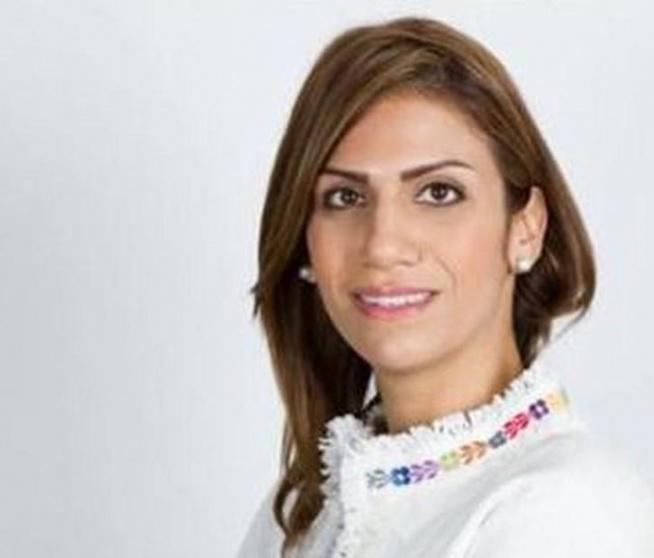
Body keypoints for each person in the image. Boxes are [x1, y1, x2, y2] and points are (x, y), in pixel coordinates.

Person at [238, 15, 654, 558]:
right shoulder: (303, 510)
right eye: (345, 197)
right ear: (304, 241)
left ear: (525, 227)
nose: (383, 245)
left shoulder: (564, 513)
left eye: (438, 193)